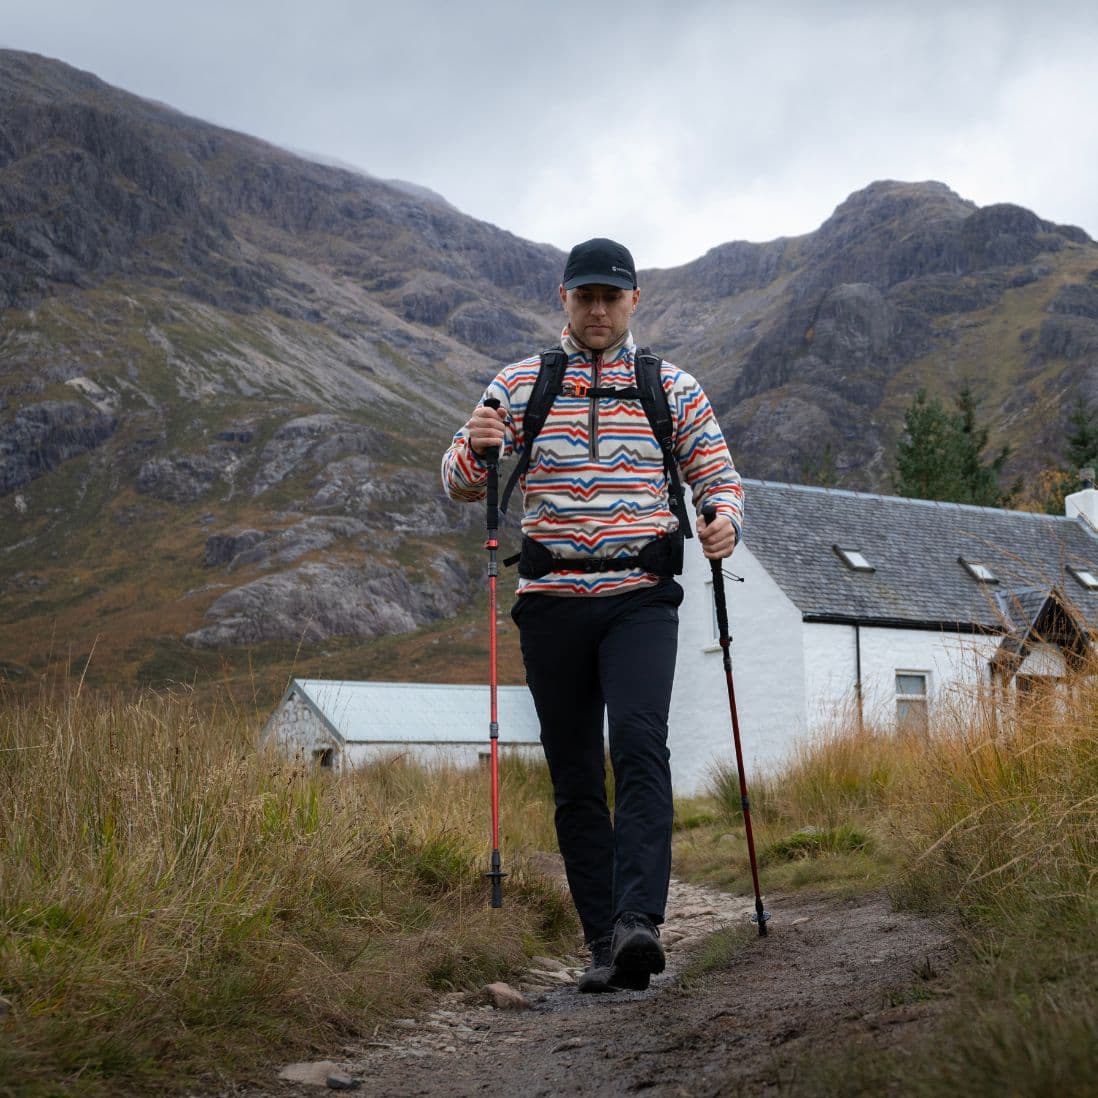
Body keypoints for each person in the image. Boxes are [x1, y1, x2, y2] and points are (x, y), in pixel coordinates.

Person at [442, 238, 743, 992]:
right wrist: (477, 450)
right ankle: (604, 943)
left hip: (642, 598)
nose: (599, 309)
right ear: (563, 299)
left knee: (639, 746)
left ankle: (639, 921)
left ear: (635, 300)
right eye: (586, 297)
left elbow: (717, 475)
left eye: (612, 296)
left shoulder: (672, 388)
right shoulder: (517, 385)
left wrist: (723, 522)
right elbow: (456, 477)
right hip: (550, 604)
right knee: (576, 774)